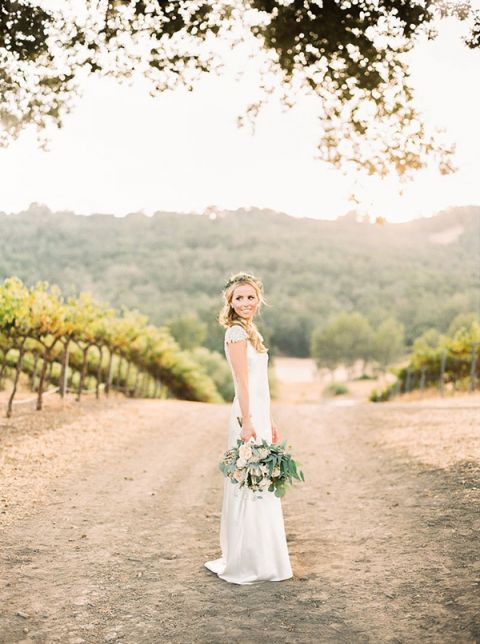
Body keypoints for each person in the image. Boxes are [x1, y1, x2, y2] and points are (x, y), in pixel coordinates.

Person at [204, 272, 293, 584]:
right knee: (249, 485)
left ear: (259, 299)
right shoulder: (235, 335)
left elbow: (260, 385)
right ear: (230, 301)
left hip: (258, 416)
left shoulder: (250, 331)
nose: (245, 302)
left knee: (262, 485)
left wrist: (269, 420)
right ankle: (248, 559)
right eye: (238, 297)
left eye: (250, 296)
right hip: (247, 418)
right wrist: (248, 422)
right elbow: (241, 382)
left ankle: (263, 555)